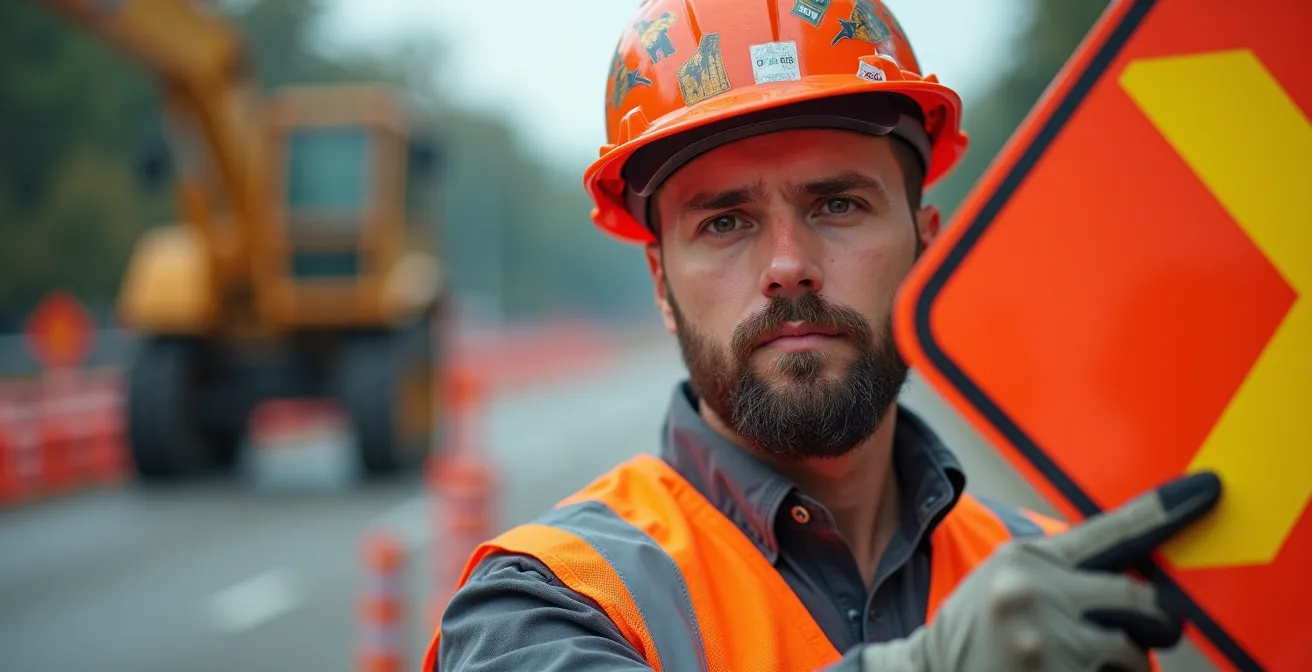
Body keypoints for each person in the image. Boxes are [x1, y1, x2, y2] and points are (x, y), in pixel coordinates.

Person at [425, 0, 1223, 670]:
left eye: (837, 205)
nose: (788, 266)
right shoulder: (545, 601)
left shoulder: (1063, 583)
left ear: (929, 252)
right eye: (727, 221)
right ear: (662, 286)